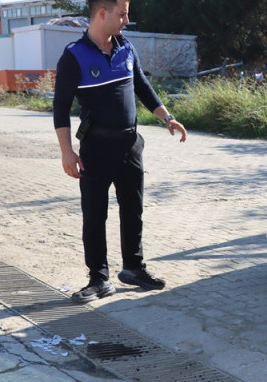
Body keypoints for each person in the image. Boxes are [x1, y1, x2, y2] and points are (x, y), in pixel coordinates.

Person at [53, 0, 187, 303]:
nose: (127, 19)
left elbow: (141, 85)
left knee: (133, 209)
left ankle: (133, 268)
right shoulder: (74, 56)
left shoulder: (126, 48)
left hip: (130, 145)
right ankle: (98, 279)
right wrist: (67, 152)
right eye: (122, 13)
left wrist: (167, 117)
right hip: (96, 149)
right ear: (103, 13)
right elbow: (59, 109)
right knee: (95, 215)